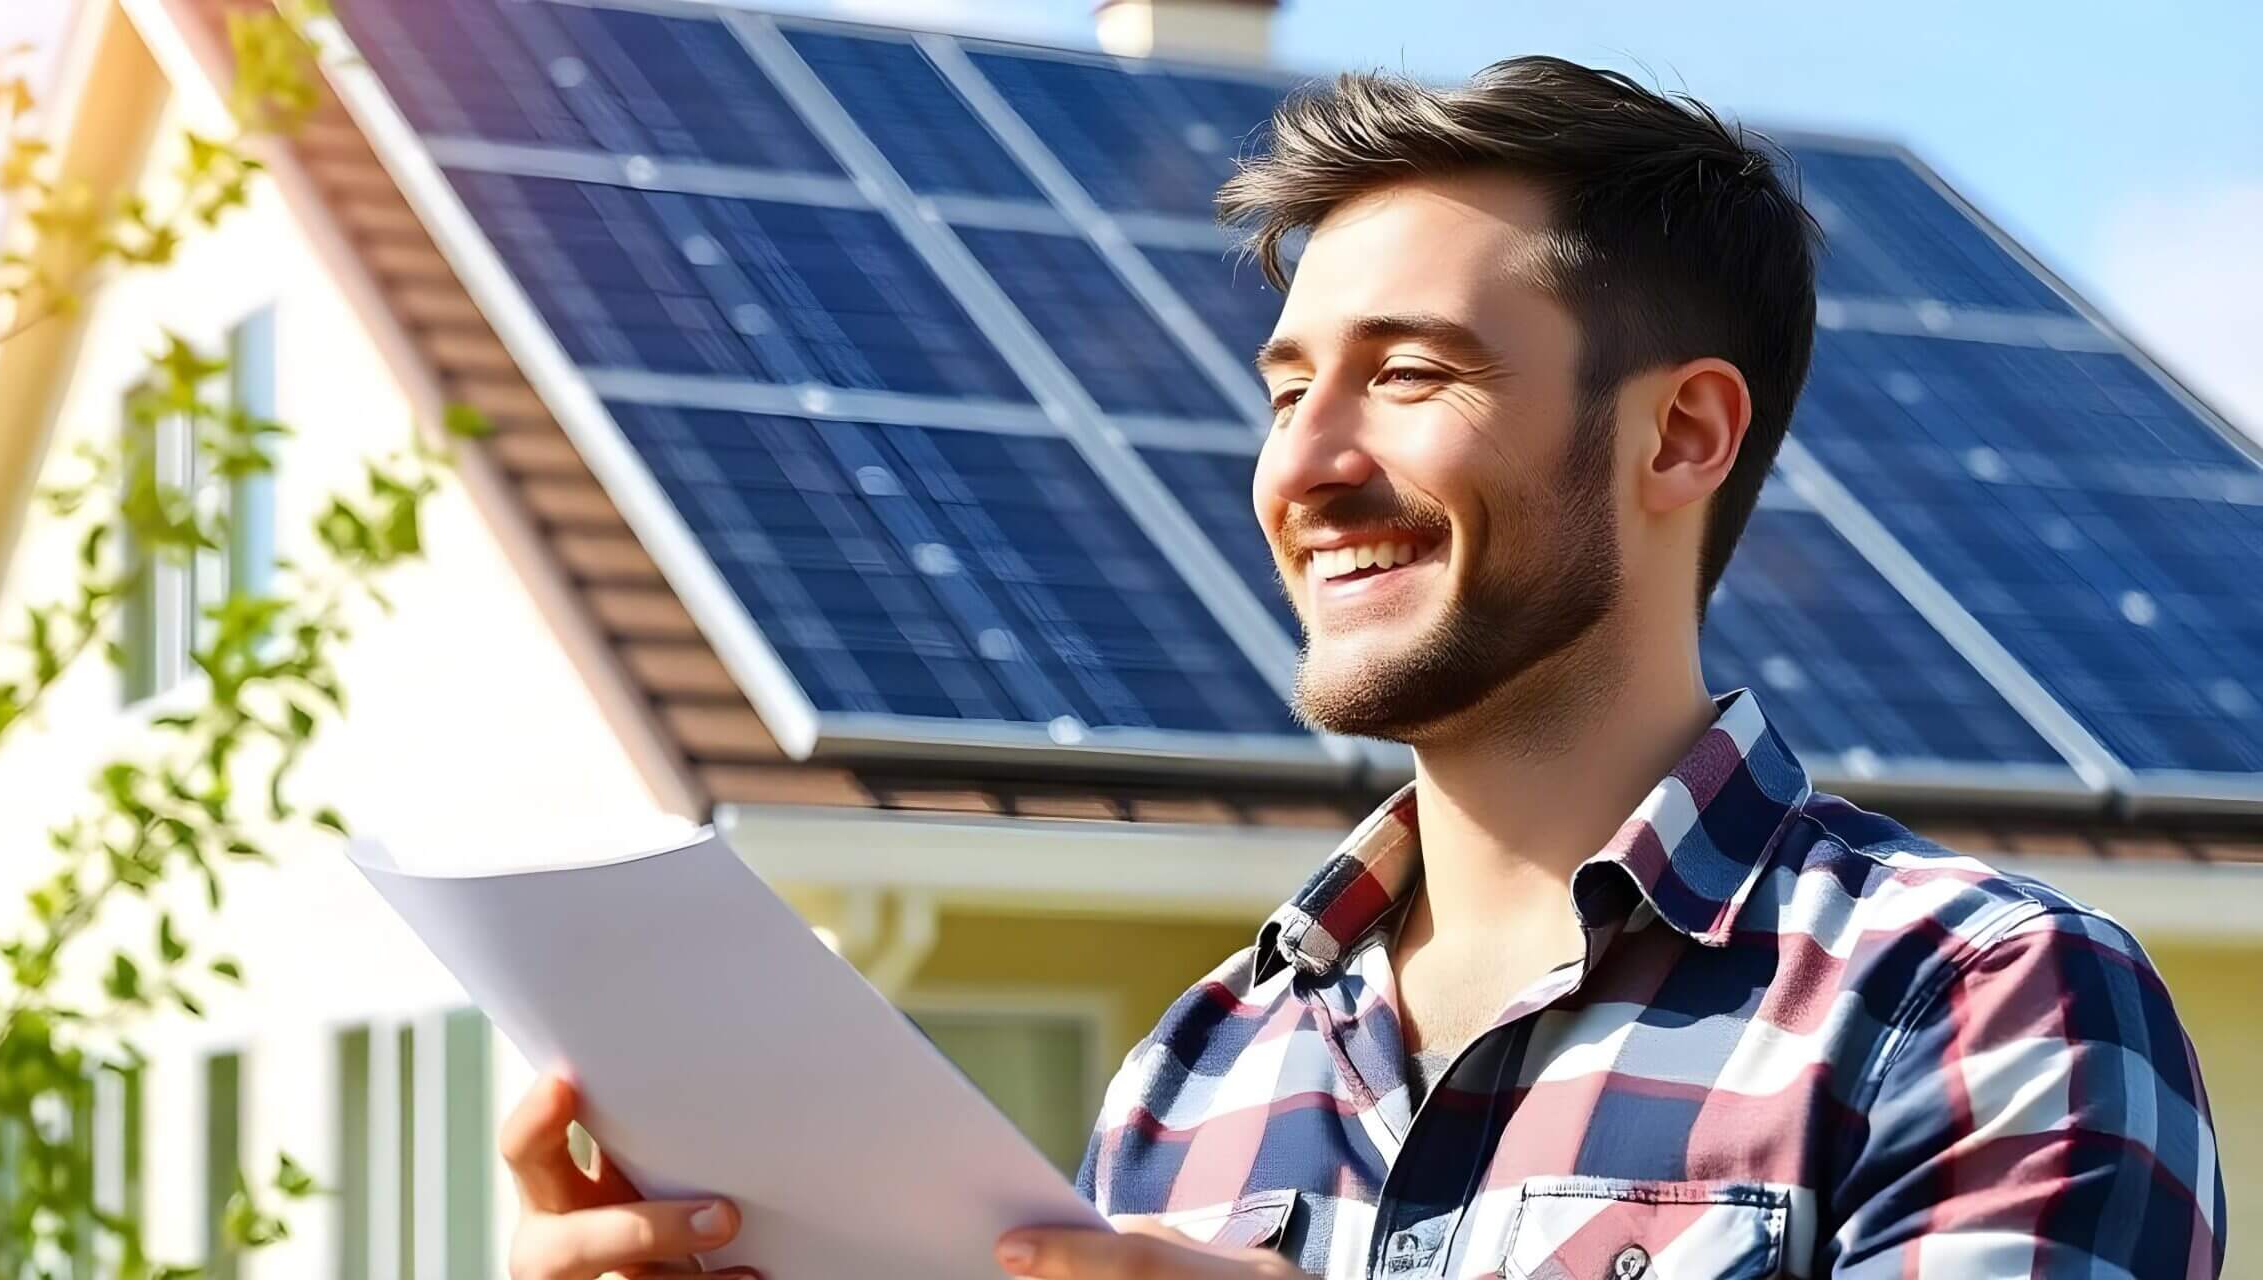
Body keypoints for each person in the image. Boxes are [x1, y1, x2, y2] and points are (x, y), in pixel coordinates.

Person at [495, 56, 2226, 1280]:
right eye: (1281, 388)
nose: (1302, 465)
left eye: (1407, 375)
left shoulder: (1980, 1007)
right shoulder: (1201, 1075)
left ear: (1683, 434)